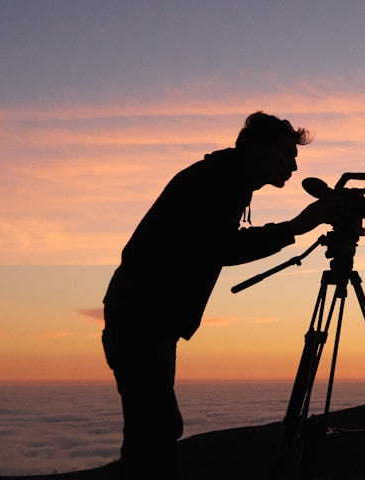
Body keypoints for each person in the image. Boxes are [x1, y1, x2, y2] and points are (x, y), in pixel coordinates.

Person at [101, 111, 335, 479]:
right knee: (155, 432)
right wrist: (296, 227)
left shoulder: (224, 178)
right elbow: (220, 247)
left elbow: (212, 245)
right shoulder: (218, 181)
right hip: (142, 319)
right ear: (257, 149)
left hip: (146, 318)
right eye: (287, 154)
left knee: (153, 430)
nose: (293, 165)